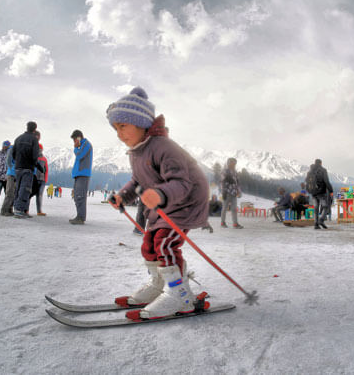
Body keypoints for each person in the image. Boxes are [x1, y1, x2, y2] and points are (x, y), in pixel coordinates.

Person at [107, 87, 210, 319]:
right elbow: (137, 180)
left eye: (122, 126)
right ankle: (159, 285)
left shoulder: (163, 147)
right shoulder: (138, 151)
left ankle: (179, 297)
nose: (118, 133)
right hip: (165, 205)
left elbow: (182, 182)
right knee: (150, 244)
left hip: (186, 203)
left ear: (140, 122)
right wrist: (123, 196)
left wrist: (161, 194)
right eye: (115, 128)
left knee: (165, 244)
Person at [12, 122, 41, 218]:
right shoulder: (34, 140)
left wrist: (17, 161)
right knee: (25, 189)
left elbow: (13, 152)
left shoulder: (18, 138)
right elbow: (35, 155)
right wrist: (35, 163)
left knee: (18, 187)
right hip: (28, 168)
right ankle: (19, 210)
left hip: (18, 167)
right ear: (34, 129)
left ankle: (19, 208)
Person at [69, 129, 93, 224]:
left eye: (74, 140)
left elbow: (79, 155)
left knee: (80, 196)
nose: (74, 142)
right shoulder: (82, 145)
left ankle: (81, 218)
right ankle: (79, 215)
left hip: (83, 174)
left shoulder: (86, 144)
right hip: (79, 174)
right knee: (76, 196)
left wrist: (76, 148)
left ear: (78, 138)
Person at [306, 159, 334, 229]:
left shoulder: (310, 171)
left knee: (316, 208)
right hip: (321, 192)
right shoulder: (323, 170)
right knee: (325, 206)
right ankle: (321, 220)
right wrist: (331, 191)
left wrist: (310, 190)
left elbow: (307, 181)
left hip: (313, 192)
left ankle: (316, 224)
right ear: (321, 163)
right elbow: (326, 181)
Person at [220, 157, 243, 229]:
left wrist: (239, 191)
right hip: (226, 192)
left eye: (234, 163)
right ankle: (222, 222)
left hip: (234, 193)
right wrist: (223, 191)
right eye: (232, 163)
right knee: (224, 208)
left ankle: (235, 224)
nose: (234, 164)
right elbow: (222, 182)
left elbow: (238, 183)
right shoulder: (225, 171)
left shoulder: (235, 172)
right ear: (228, 163)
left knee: (234, 209)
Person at [0, 143, 17, 216]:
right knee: (9, 192)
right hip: (11, 174)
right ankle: (4, 210)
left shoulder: (19, 150)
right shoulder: (12, 148)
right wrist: (13, 168)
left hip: (17, 174)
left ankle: (10, 209)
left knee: (14, 193)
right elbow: (8, 160)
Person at [35, 143, 49, 216]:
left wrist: (45, 179)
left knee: (39, 195)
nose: (39, 151)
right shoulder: (34, 157)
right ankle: (26, 210)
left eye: (40, 149)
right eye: (38, 149)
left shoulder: (44, 159)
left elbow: (46, 170)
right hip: (34, 179)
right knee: (29, 194)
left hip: (42, 180)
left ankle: (39, 211)